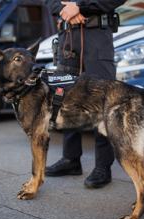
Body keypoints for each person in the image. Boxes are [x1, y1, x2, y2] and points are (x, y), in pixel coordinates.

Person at [44, 0, 126, 188]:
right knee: (67, 100)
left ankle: (103, 166)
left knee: (102, 99)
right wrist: (65, 10)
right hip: (67, 36)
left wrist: (80, 6)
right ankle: (71, 159)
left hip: (96, 36)